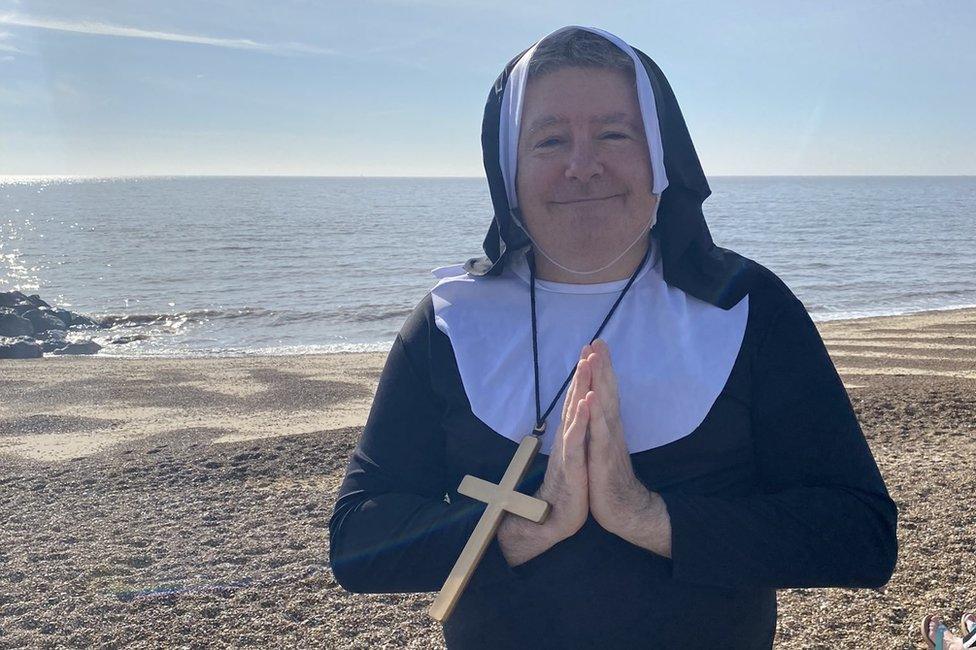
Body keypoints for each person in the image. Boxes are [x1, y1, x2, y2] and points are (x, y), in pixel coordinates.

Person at [328, 25, 898, 648]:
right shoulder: (449, 323)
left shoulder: (747, 306)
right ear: (508, 168)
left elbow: (859, 534)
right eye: (549, 140)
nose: (582, 165)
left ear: (660, 155)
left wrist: (647, 516)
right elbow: (359, 542)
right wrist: (529, 525)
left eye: (613, 133)